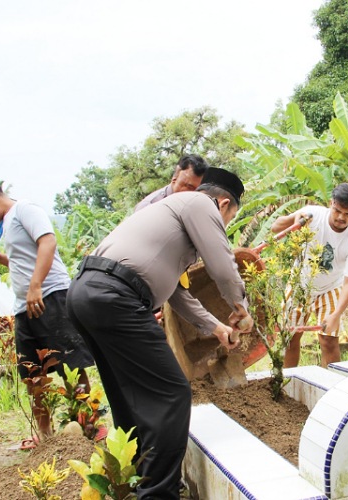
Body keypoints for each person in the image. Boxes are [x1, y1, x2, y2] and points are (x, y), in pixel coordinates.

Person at [66, 167, 254, 499]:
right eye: (229, 219)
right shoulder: (200, 204)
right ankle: (159, 494)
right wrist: (241, 307)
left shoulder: (168, 214)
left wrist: (216, 327)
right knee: (172, 393)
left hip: (86, 293)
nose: (223, 225)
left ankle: (135, 478)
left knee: (126, 394)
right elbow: (223, 265)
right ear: (224, 204)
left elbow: (176, 293)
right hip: (116, 297)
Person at [0, 177, 95, 441]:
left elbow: (48, 242)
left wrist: (35, 286)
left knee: (70, 366)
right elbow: (25, 260)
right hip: (25, 307)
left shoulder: (25, 209)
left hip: (50, 297)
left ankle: (87, 428)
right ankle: (45, 436)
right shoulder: (8, 223)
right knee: (32, 373)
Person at [271, 183, 348, 368]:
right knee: (290, 338)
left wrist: (336, 314)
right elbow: (275, 227)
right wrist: (294, 219)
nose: (341, 218)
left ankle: (331, 383)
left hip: (330, 287)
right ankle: (288, 382)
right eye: (337, 211)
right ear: (331, 203)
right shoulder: (312, 215)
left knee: (329, 340)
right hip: (299, 284)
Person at [134, 154, 209, 211]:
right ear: (175, 179)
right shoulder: (149, 206)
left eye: (198, 190)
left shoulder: (195, 207)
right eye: (190, 187)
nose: (194, 194)